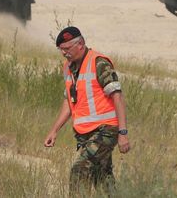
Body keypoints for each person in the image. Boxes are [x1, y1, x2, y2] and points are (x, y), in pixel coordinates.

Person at [44, 26, 130, 196]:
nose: (64, 53)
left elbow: (117, 97)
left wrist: (123, 133)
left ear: (81, 44)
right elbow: (69, 102)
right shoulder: (68, 68)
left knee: (79, 170)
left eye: (67, 49)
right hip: (85, 134)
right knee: (103, 179)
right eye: (61, 50)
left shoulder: (99, 63)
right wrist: (54, 131)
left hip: (106, 130)